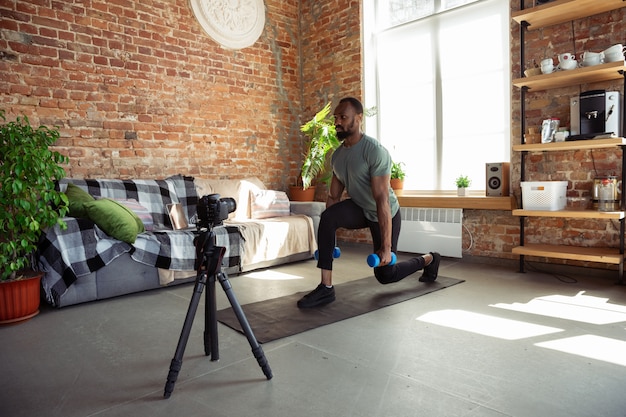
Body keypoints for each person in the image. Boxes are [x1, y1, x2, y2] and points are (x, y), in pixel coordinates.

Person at [297, 97, 441, 309]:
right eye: (336, 118)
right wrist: (330, 240)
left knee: (386, 275)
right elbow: (334, 198)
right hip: (361, 207)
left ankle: (429, 259)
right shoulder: (337, 157)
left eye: (343, 117)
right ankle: (325, 288)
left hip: (385, 212)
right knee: (327, 216)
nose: (337, 122)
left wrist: (386, 247)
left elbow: (381, 199)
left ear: (359, 119)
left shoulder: (374, 151)